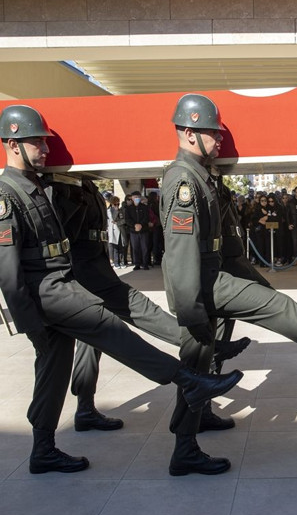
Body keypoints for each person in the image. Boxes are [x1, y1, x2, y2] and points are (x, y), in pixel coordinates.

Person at [0, 104, 243, 474]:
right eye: (35, 142)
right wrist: (30, 325)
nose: (44, 149)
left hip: (61, 284)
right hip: (50, 292)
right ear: (12, 144)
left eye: (42, 141)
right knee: (111, 327)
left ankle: (42, 450)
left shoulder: (37, 186)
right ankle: (188, 379)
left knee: (53, 372)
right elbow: (7, 272)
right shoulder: (4, 196)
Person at [160, 94, 297, 476]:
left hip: (210, 275)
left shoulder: (199, 174)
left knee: (195, 366)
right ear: (188, 132)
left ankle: (186, 446)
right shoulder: (183, 179)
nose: (219, 139)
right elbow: (180, 256)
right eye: (211, 133)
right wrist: (192, 313)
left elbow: (222, 245)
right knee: (280, 310)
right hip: (201, 283)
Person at [45, 174, 252, 435]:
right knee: (114, 325)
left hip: (95, 266)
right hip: (81, 270)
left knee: (129, 314)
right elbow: (59, 232)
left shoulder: (83, 184)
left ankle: (85, 408)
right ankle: (83, 408)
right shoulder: (60, 186)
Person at [125, 190, 150, 270]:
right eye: (135, 197)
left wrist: (141, 225)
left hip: (144, 230)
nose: (137, 199)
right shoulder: (128, 208)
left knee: (145, 247)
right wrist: (134, 225)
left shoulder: (144, 207)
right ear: (132, 198)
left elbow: (146, 218)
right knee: (135, 248)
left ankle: (145, 263)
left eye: (138, 197)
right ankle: (137, 264)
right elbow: (127, 219)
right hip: (133, 231)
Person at [106, 195, 126, 268]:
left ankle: (122, 262)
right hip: (112, 231)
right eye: (115, 204)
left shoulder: (121, 211)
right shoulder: (108, 211)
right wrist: (116, 211)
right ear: (111, 204)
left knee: (121, 247)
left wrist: (118, 223)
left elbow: (124, 220)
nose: (117, 206)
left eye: (118, 204)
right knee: (114, 248)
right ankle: (116, 262)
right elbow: (112, 219)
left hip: (120, 230)